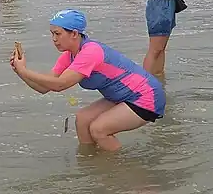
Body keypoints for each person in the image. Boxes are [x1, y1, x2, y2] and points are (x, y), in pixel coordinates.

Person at [9, 10, 165, 152]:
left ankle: (120, 170)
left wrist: (25, 70)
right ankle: (91, 165)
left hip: (146, 96)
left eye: (58, 34)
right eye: (52, 34)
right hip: (121, 96)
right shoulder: (69, 55)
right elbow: (44, 87)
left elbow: (60, 84)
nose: (54, 39)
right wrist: (20, 72)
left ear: (74, 34)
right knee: (83, 119)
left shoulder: (91, 51)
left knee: (99, 129)